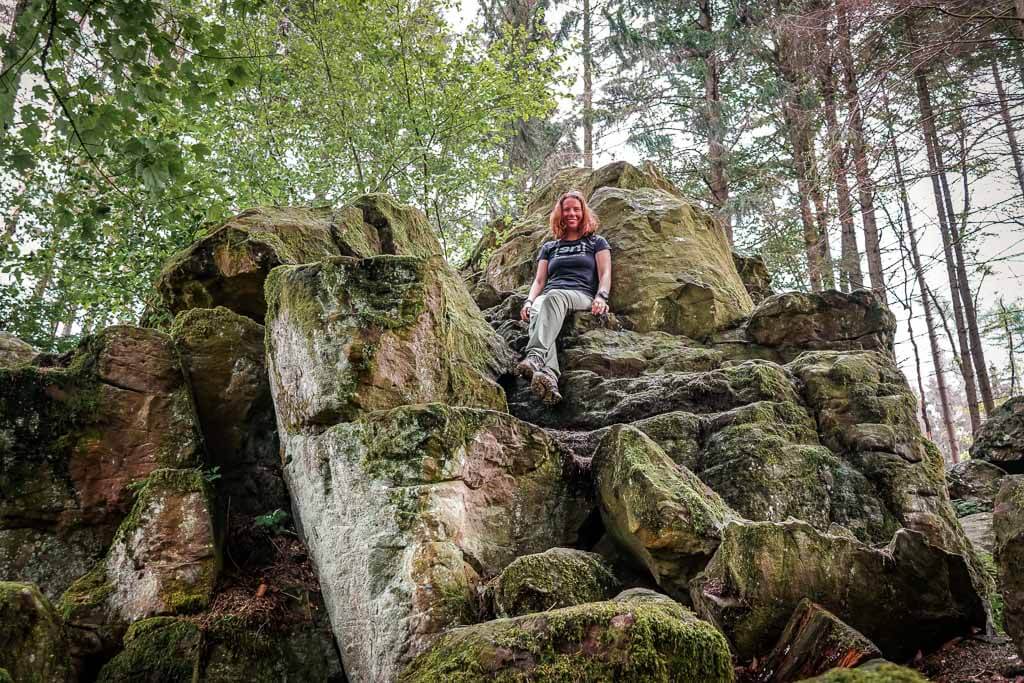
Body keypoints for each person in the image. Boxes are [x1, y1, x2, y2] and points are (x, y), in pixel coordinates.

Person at [516, 190, 611, 405]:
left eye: (576, 209)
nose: (571, 213)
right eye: (567, 210)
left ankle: (535, 356)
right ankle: (549, 375)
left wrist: (601, 297)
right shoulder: (550, 247)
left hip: (581, 295)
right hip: (551, 295)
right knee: (537, 309)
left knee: (553, 297)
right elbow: (539, 280)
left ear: (583, 212)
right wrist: (529, 301)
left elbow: (605, 273)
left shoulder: (596, 242)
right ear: (560, 214)